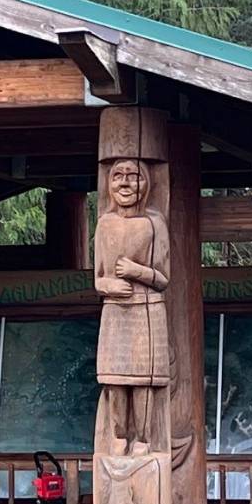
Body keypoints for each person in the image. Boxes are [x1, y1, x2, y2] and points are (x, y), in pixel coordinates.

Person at [93, 158, 170, 456]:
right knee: (115, 380)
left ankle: (144, 438)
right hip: (115, 310)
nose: (124, 183)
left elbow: (164, 277)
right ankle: (118, 434)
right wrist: (108, 285)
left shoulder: (154, 222)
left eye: (133, 176)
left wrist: (138, 272)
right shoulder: (104, 223)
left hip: (148, 310)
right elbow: (98, 278)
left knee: (143, 381)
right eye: (117, 177)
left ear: (146, 184)